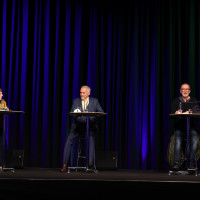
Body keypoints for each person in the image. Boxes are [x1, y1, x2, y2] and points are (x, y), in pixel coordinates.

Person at [61, 86, 104, 172]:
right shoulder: (76, 101)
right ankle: (65, 164)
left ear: (88, 93)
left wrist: (95, 115)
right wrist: (77, 113)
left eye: (83, 93)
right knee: (68, 141)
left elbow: (101, 112)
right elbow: (71, 113)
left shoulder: (94, 101)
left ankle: (90, 162)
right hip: (78, 126)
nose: (81, 94)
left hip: (90, 126)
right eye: (80, 92)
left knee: (91, 139)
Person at [171, 83, 199, 170]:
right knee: (178, 142)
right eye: (183, 89)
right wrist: (177, 113)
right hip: (179, 126)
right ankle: (176, 164)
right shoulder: (176, 101)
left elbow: (197, 112)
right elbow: (172, 113)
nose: (185, 91)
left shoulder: (194, 100)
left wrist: (189, 112)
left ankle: (192, 164)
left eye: (187, 89)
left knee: (195, 140)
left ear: (189, 91)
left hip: (191, 127)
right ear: (180, 91)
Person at [0, 88, 9, 167]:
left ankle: (1, 164)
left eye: (2, 93)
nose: (2, 95)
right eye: (0, 93)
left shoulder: (3, 102)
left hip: (1, 126)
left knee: (1, 145)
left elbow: (7, 109)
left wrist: (7, 109)